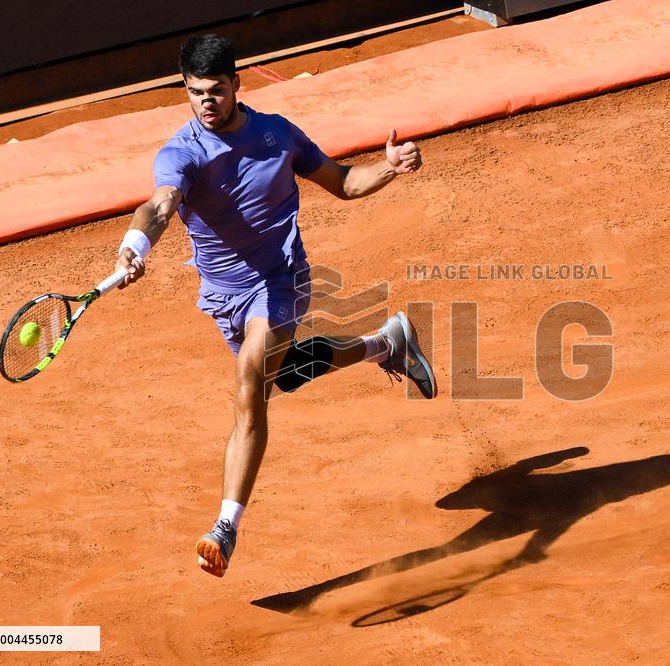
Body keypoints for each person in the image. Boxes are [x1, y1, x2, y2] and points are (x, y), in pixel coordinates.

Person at [112, 33, 436, 578]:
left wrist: (390, 167)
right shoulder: (182, 152)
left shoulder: (276, 135)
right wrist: (136, 245)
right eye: (195, 93)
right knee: (280, 378)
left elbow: (344, 183)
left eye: (216, 90)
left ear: (237, 84)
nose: (206, 102)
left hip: (280, 280)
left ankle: (225, 527)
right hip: (223, 295)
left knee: (248, 383)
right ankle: (386, 344)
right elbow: (161, 203)